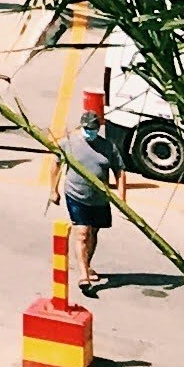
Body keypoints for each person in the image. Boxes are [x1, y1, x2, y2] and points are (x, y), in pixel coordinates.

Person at [60, 87, 117, 294]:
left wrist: (123, 197)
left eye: (93, 129)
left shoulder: (108, 147)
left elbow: (119, 171)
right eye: (87, 129)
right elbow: (56, 164)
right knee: (82, 233)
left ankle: (87, 263)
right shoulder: (69, 143)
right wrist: (52, 191)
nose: (89, 132)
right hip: (76, 194)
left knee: (93, 232)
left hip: (100, 199)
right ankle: (83, 275)